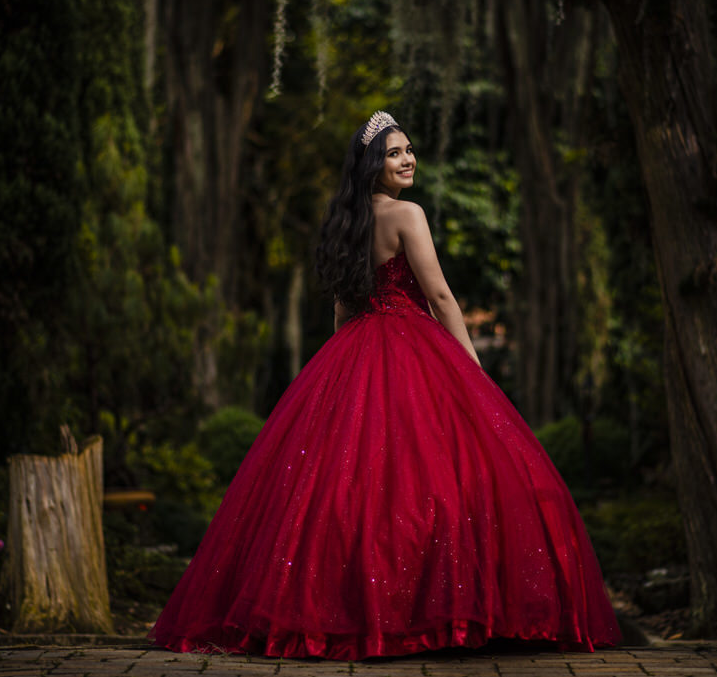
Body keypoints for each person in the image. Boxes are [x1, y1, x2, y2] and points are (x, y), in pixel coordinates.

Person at [149, 111, 621, 660]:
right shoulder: (407, 215)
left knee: (350, 485)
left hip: (355, 348)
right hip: (411, 345)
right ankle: (432, 618)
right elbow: (440, 296)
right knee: (433, 478)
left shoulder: (348, 221)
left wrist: (337, 375)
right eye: (396, 152)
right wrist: (471, 368)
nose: (408, 159)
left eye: (410, 149)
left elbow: (343, 308)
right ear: (374, 165)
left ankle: (350, 614)